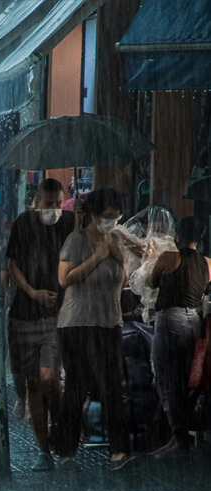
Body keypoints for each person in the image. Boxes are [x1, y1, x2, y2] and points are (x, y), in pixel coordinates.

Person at [56, 187, 135, 471]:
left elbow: (123, 281)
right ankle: (66, 450)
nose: (112, 221)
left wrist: (119, 258)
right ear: (94, 214)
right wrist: (97, 256)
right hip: (77, 324)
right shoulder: (75, 240)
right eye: (107, 216)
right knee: (77, 387)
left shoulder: (115, 240)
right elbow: (65, 279)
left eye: (116, 216)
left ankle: (119, 451)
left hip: (109, 322)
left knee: (112, 387)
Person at [5, 178, 74, 471]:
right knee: (34, 383)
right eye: (48, 204)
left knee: (50, 378)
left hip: (57, 315)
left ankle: (62, 436)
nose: (54, 210)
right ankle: (43, 449)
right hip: (24, 314)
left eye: (58, 204)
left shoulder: (70, 222)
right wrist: (32, 292)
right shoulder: (23, 223)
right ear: (36, 202)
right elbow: (11, 265)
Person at [147, 216, 209, 458]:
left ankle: (178, 438)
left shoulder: (170, 257)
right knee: (186, 379)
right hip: (194, 322)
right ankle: (181, 435)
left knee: (166, 378)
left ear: (178, 236)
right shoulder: (207, 263)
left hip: (170, 320)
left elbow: (151, 282)